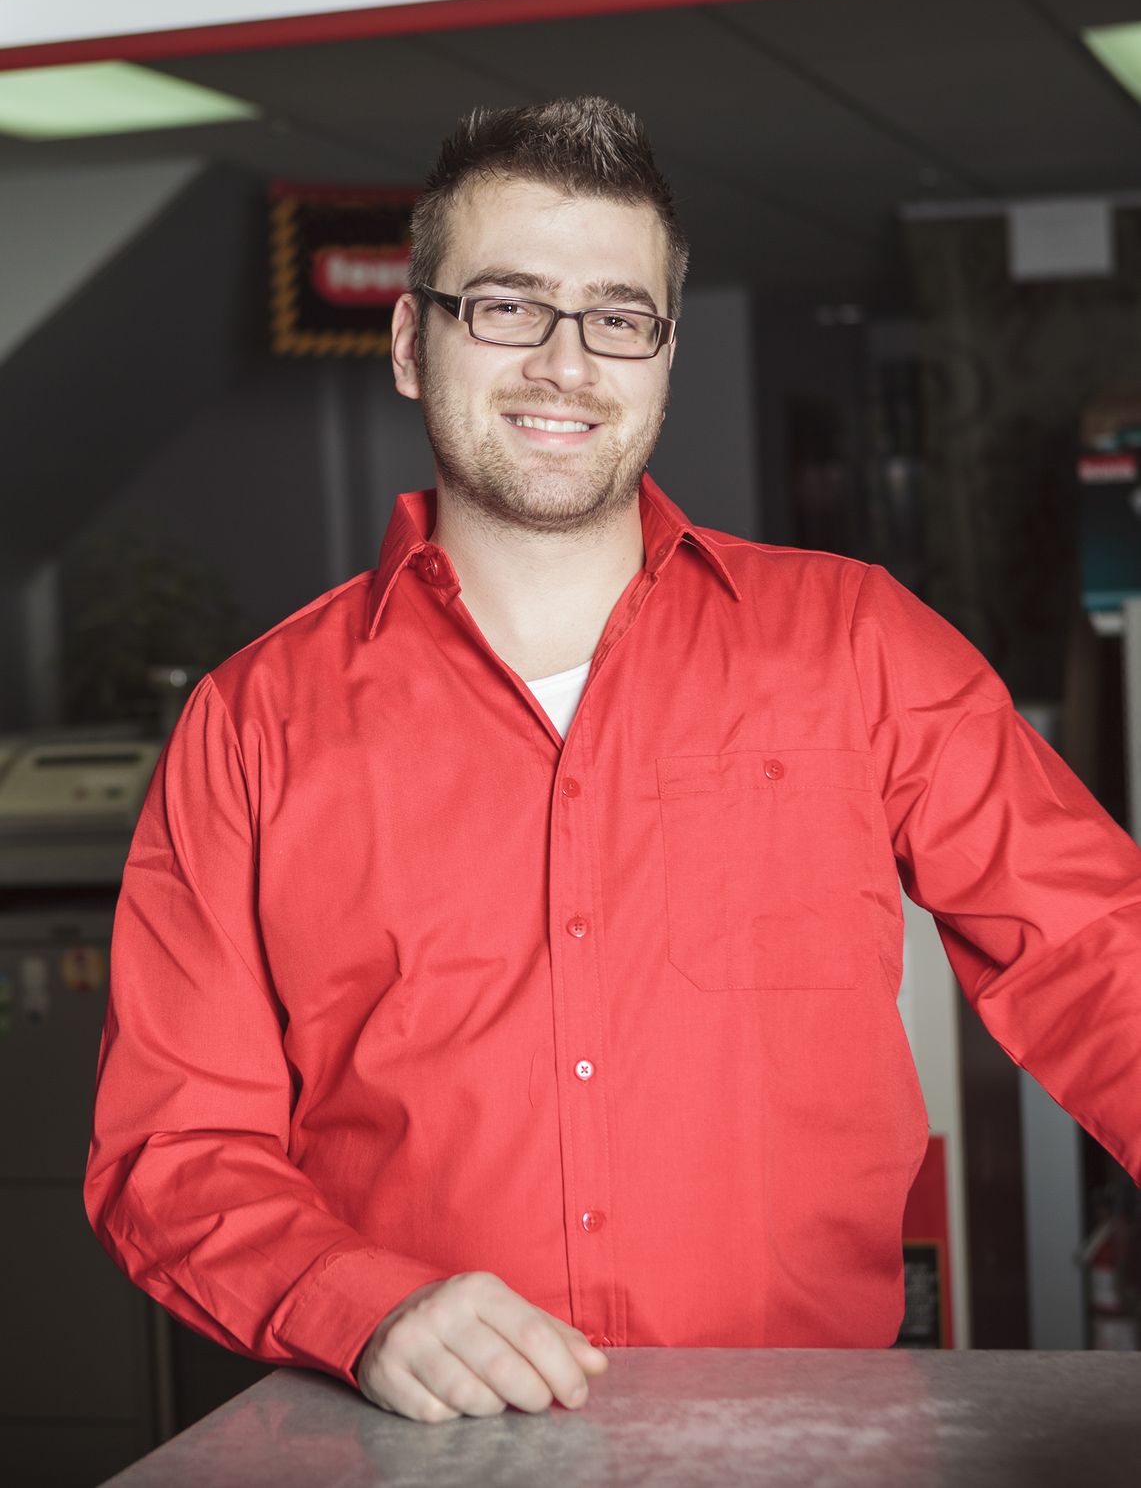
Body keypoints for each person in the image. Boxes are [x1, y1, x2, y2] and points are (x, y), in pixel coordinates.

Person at [85, 97, 1141, 1426]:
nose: (565, 362)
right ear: (414, 340)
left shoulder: (856, 645)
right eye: (508, 305)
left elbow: (1098, 955)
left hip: (805, 1440)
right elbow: (171, 1151)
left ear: (661, 355)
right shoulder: (251, 725)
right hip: (419, 1451)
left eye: (615, 317)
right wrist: (362, 1302)